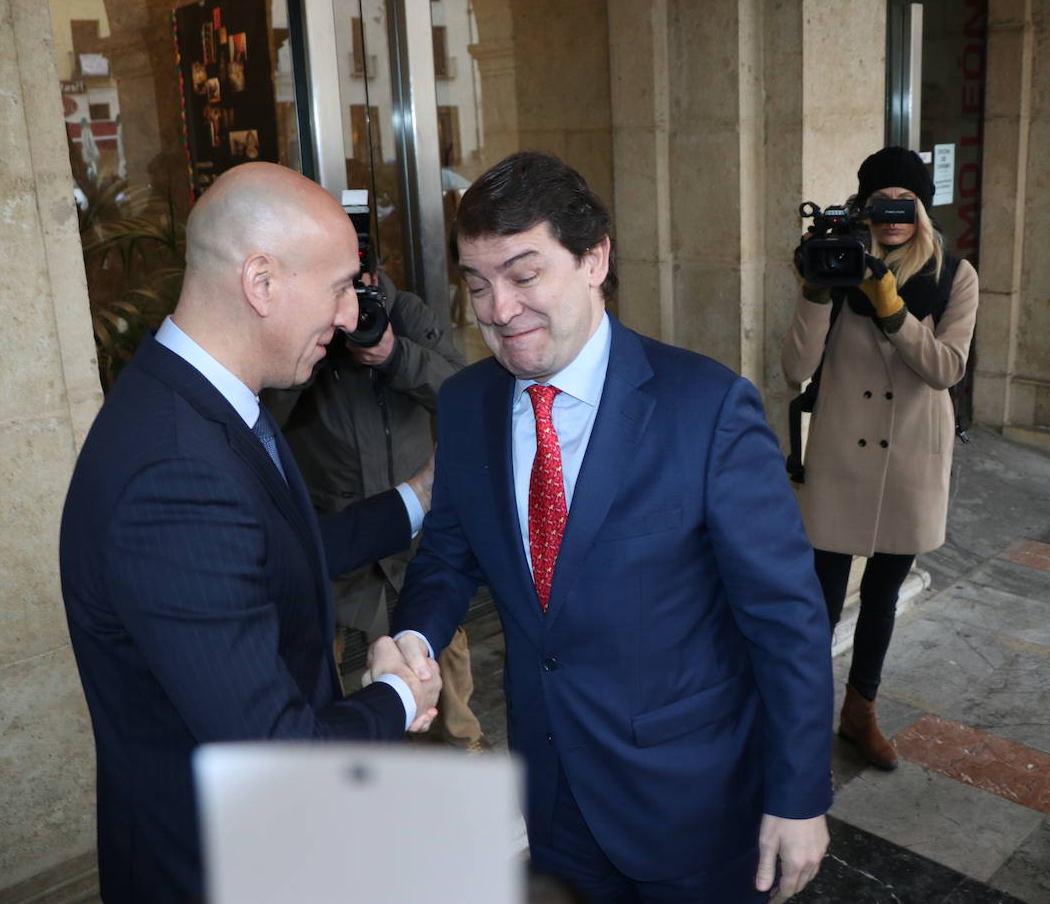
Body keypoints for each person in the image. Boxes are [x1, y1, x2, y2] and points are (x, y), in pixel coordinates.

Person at [389, 151, 834, 904]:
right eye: (477, 284)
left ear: (594, 259)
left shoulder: (708, 409)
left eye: (524, 275)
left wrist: (798, 796)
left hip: (691, 807)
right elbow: (447, 556)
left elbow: (785, 620)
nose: (497, 309)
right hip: (553, 798)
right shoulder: (467, 405)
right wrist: (416, 637)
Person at [59, 162, 442, 903]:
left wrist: (416, 499)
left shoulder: (200, 403)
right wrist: (397, 695)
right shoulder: (174, 473)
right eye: (339, 287)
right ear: (261, 282)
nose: (347, 317)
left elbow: (269, 559)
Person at [782, 146, 980, 771]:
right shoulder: (836, 262)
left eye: (905, 202)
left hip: (912, 454)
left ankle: (859, 711)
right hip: (843, 449)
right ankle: (803, 719)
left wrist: (891, 304)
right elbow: (795, 370)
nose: (892, 215)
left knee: (884, 594)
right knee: (819, 594)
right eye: (880, 203)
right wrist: (818, 289)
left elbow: (945, 368)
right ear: (864, 208)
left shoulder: (954, 274)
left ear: (921, 208)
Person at [263, 271, 490, 752]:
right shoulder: (305, 330)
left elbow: (462, 389)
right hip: (334, 521)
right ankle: (348, 757)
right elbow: (263, 417)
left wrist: (394, 355)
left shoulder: (406, 311)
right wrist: (313, 352)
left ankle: (464, 741)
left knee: (437, 634)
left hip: (415, 520)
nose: (351, 311)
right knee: (325, 647)